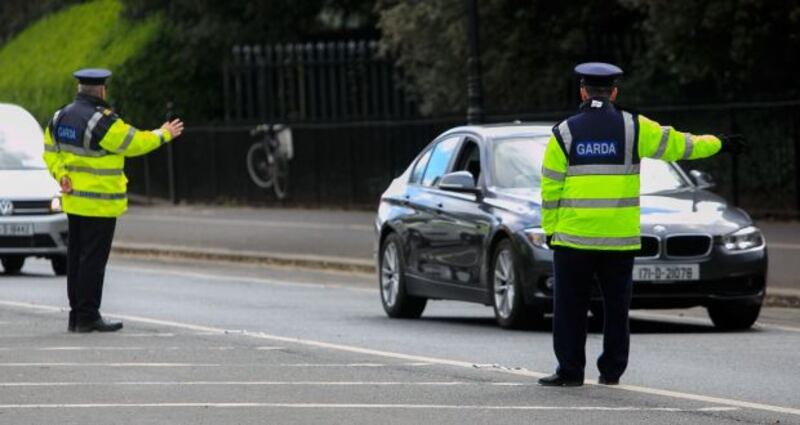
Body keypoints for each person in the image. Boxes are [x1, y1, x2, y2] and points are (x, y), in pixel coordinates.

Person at [537, 62, 742, 386]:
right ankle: (612, 371)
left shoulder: (564, 132)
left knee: (570, 308)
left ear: (583, 92)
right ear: (614, 92)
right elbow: (680, 144)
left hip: (573, 239)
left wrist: (550, 229)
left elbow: (551, 188)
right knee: (617, 309)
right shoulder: (634, 127)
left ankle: (570, 371)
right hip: (620, 239)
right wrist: (720, 143)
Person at [43, 68, 185, 333]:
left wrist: (61, 174)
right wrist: (164, 133)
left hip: (74, 202)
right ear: (101, 90)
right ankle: (88, 316)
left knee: (76, 259)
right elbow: (134, 143)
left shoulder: (60, 116)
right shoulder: (102, 121)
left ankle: (76, 316)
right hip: (100, 203)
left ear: (79, 88)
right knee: (93, 262)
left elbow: (50, 151)